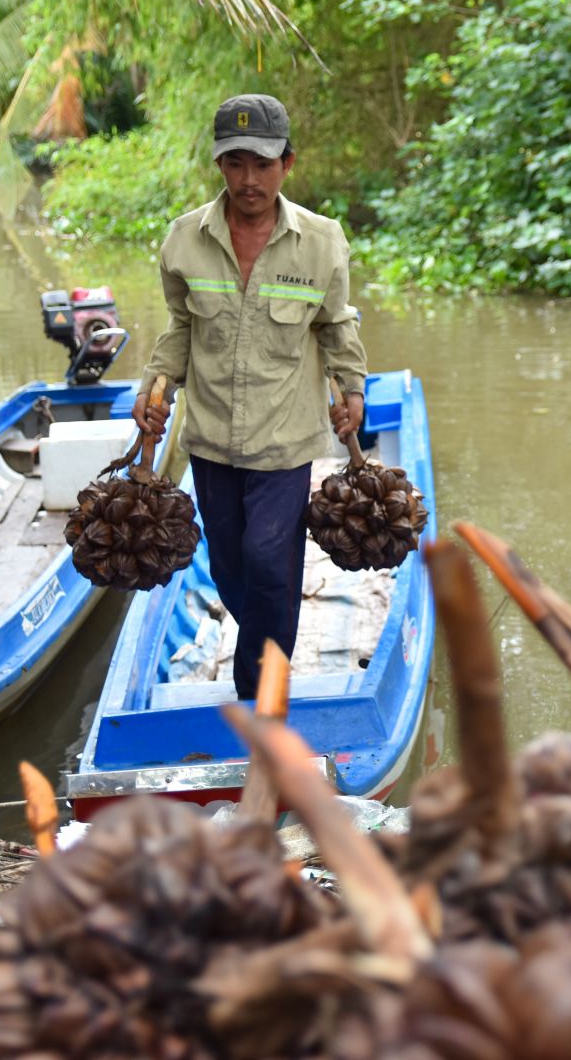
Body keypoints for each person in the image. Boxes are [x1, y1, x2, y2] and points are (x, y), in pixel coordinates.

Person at [133, 93, 367, 701]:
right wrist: (155, 388)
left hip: (284, 439)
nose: (249, 179)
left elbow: (336, 326)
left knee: (268, 557)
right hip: (210, 436)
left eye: (262, 164)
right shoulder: (185, 240)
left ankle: (261, 684)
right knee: (231, 570)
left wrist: (353, 389)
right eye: (235, 163)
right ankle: (262, 645)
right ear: (219, 165)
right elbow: (180, 329)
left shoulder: (320, 241)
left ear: (287, 164)